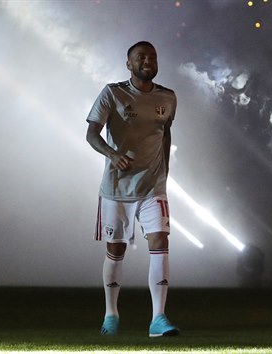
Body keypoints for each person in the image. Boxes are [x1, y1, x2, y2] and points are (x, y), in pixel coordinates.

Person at [85, 41, 179, 337]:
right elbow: (91, 133)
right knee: (116, 249)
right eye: (141, 57)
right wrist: (113, 155)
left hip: (153, 187)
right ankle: (111, 316)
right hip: (117, 188)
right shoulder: (113, 93)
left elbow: (165, 132)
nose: (148, 61)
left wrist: (164, 170)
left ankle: (158, 318)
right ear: (129, 64)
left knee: (160, 242)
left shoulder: (168, 97)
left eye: (152, 56)